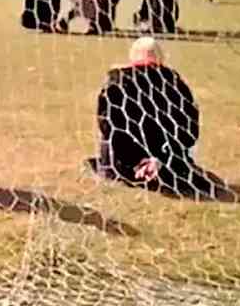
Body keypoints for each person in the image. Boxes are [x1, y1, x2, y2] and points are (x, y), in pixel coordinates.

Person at [86, 37, 227, 199]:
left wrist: (137, 161)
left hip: (124, 165)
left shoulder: (116, 83)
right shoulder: (175, 84)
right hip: (168, 164)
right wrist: (160, 160)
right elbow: (189, 130)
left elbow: (109, 127)